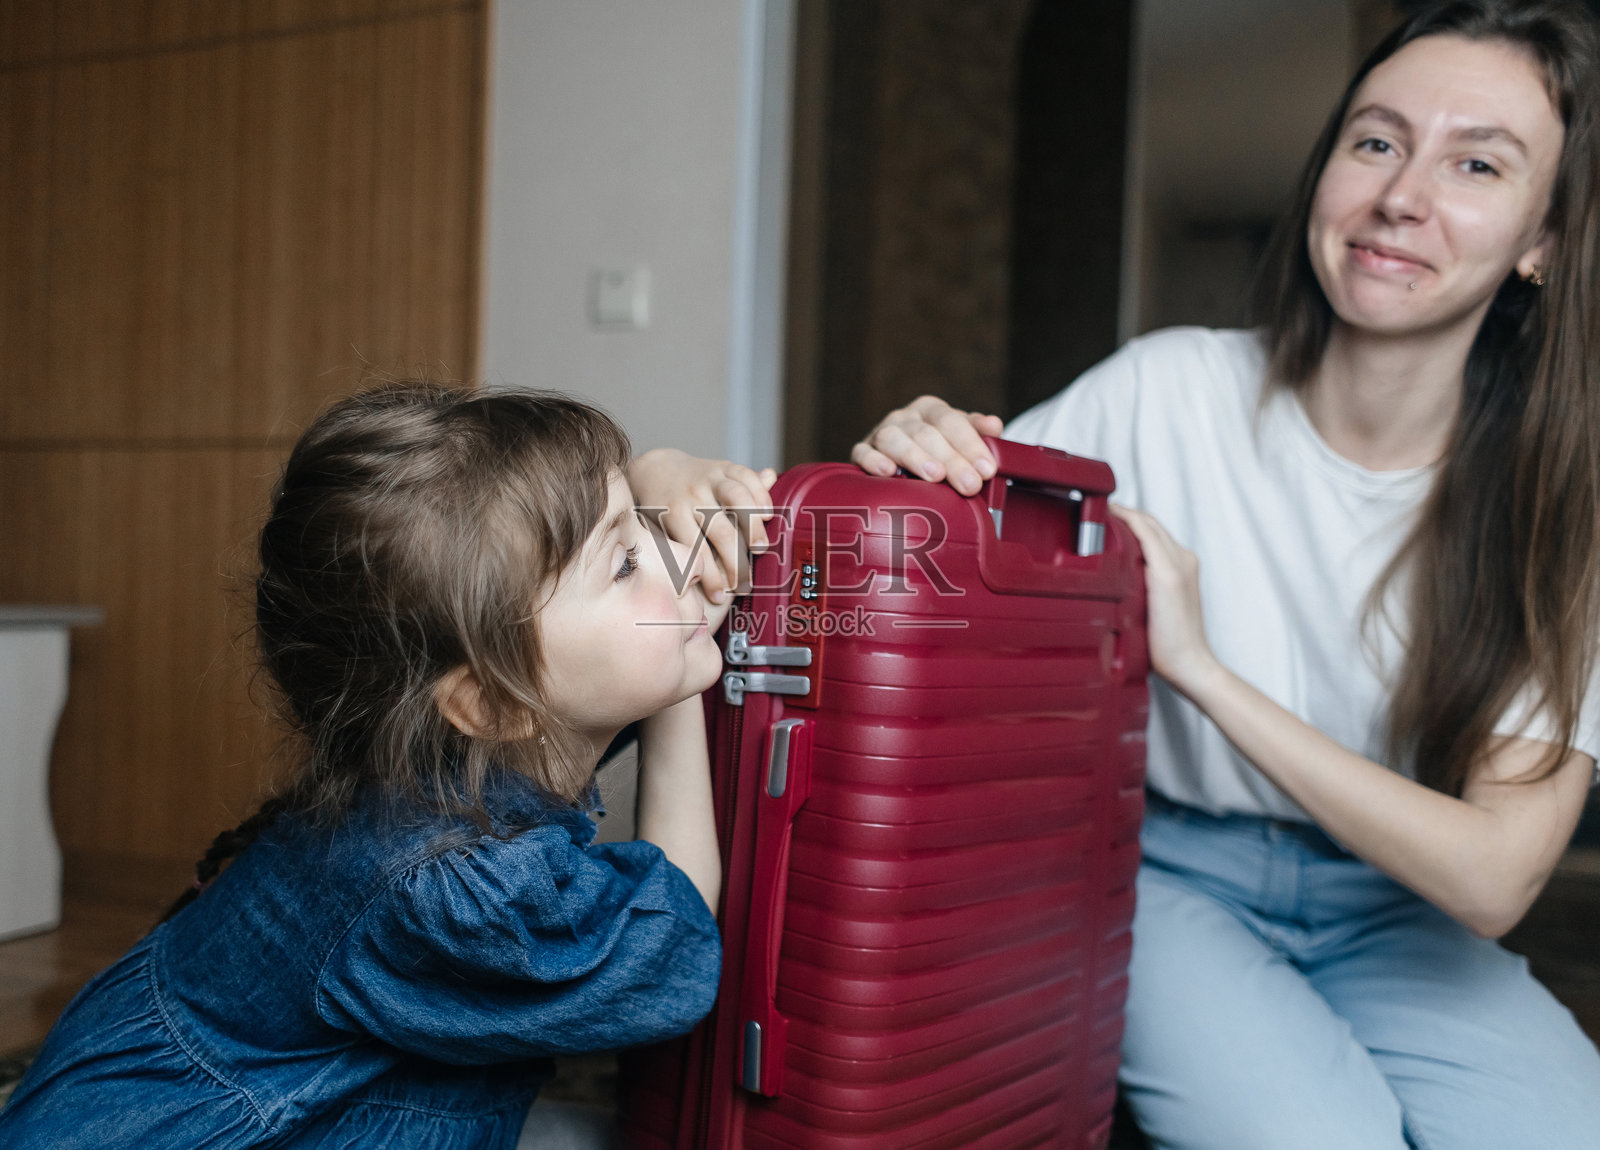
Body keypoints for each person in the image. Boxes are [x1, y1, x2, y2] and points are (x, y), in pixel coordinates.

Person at [634, 1, 1600, 1146]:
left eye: (1476, 162)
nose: (1400, 194)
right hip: (1165, 869)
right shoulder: (1165, 390)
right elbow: (919, 573)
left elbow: (1493, 878)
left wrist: (1198, 668)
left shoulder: (1565, 499)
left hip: (1404, 911)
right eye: (1376, 140)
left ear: (1542, 238)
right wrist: (902, 466)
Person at [0, 384, 771, 1149]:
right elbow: (669, 939)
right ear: (492, 704)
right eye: (627, 563)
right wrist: (681, 684)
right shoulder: (448, 891)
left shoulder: (464, 740)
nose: (679, 560)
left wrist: (660, 473)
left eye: (643, 531)